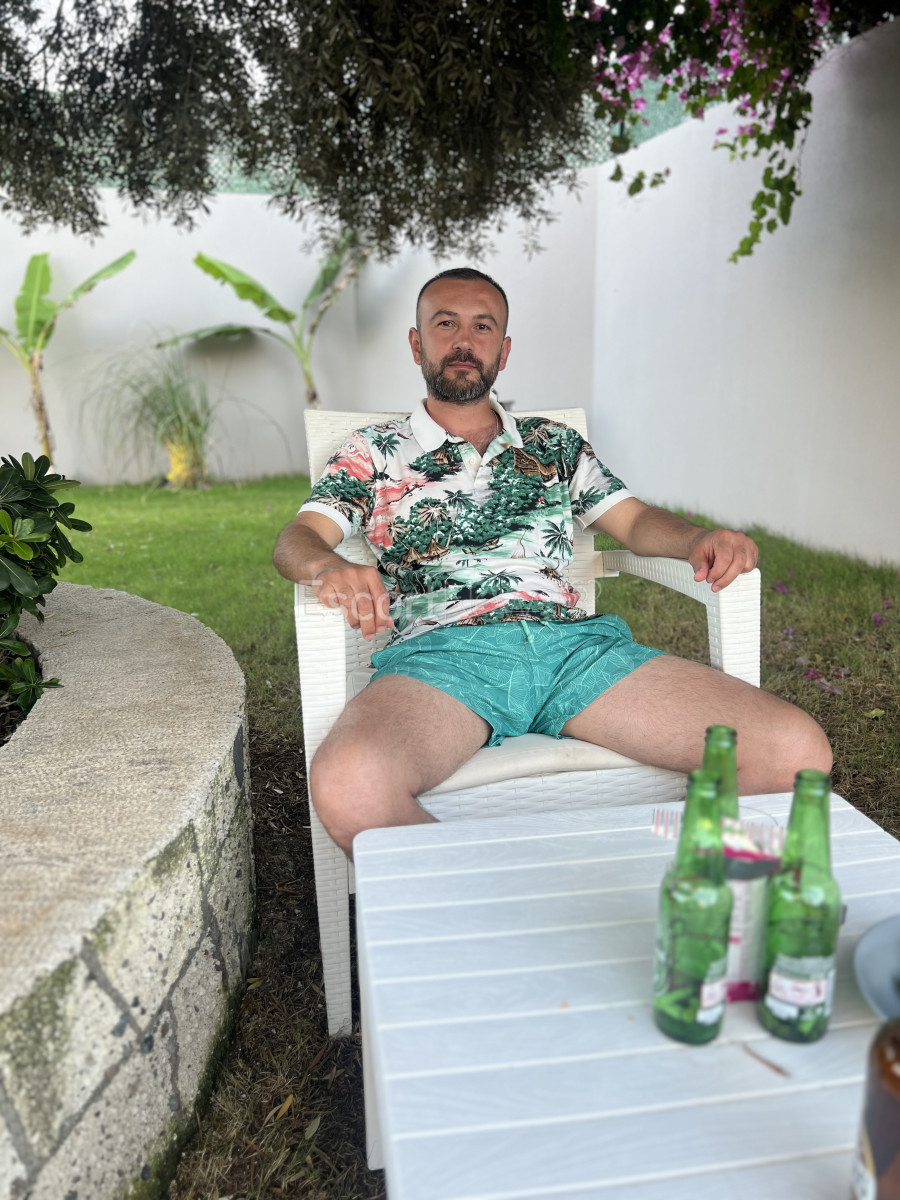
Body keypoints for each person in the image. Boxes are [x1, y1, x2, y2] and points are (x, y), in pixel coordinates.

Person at [273, 267, 831, 855]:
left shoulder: (554, 444)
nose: (464, 341)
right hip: (445, 659)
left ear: (504, 349)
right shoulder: (372, 451)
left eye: (482, 326)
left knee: (792, 749)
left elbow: (634, 522)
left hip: (576, 653)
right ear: (417, 344)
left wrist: (697, 539)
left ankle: (664, 888)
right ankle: (499, 900)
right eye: (445, 323)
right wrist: (325, 566)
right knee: (351, 783)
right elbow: (298, 537)